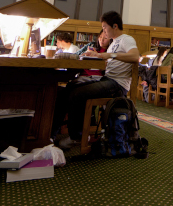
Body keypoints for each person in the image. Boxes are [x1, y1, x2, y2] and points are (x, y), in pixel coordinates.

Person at [58, 11, 140, 150]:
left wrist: (108, 55)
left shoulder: (126, 39)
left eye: (104, 27)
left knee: (78, 94)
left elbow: (135, 56)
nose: (103, 31)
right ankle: (61, 132)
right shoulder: (114, 42)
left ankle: (76, 137)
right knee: (71, 87)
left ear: (114, 26)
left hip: (117, 85)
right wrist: (96, 56)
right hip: (107, 79)